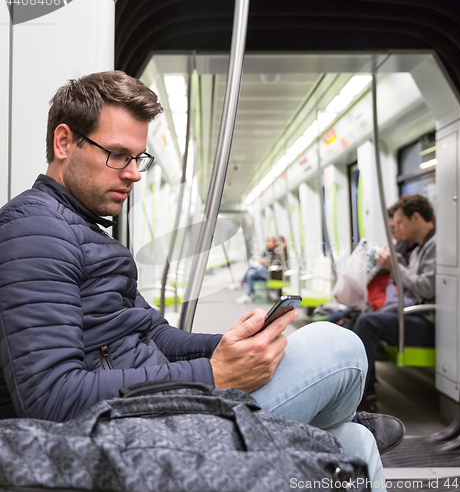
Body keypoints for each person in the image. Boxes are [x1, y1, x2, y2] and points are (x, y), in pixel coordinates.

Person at [0, 71, 402, 490]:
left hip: (160, 405)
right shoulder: (34, 232)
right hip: (130, 430)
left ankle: (337, 419)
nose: (134, 173)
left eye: (139, 158)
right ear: (64, 142)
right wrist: (214, 375)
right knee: (339, 347)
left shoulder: (83, 231)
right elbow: (49, 398)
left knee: (353, 442)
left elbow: (154, 332)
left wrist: (228, 347)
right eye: (118, 155)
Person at [348, 194, 436, 411]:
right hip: (413, 314)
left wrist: (395, 267)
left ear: (415, 217)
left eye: (400, 223)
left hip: (429, 322)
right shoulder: (419, 248)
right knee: (356, 318)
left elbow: (427, 288)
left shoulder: (436, 246)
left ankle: (362, 397)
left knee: (368, 323)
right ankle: (361, 387)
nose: (397, 228)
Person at [236, 235, 277, 303]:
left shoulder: (276, 251)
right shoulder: (266, 251)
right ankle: (248, 294)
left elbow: (274, 264)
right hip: (263, 270)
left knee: (251, 267)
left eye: (270, 242)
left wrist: (265, 262)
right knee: (250, 273)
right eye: (268, 242)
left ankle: (242, 283)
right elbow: (261, 259)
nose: (269, 243)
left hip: (270, 273)